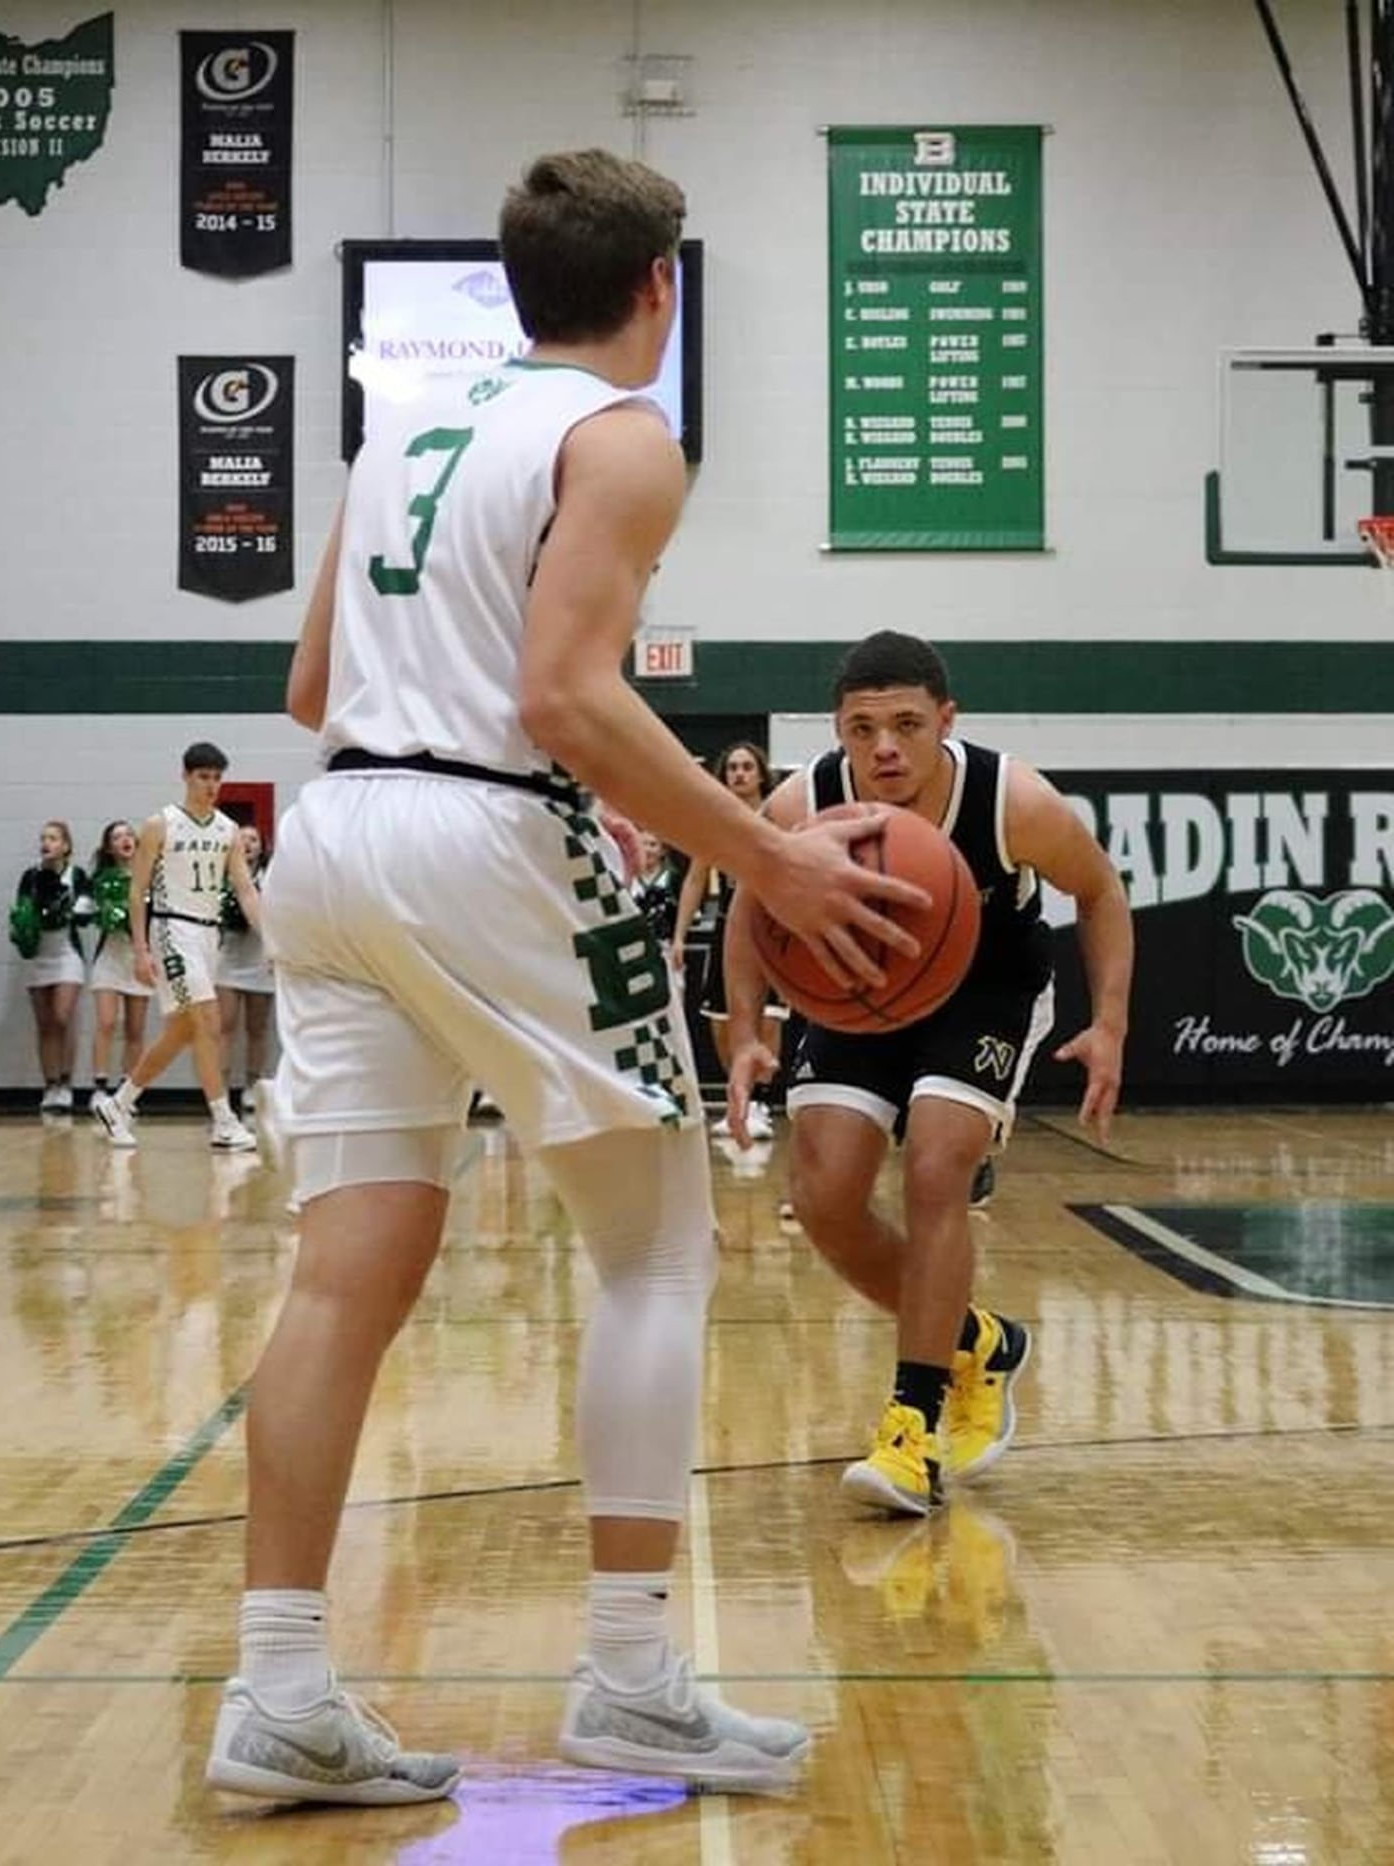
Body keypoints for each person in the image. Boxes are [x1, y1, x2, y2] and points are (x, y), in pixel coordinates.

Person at [203, 147, 928, 1809]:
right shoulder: (625, 439)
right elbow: (560, 698)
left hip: (333, 841)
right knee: (657, 1245)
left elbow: (315, 679)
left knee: (343, 1275)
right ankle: (629, 1676)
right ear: (659, 290)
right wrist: (766, 853)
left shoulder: (395, 435)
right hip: (478, 839)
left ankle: (281, 1691)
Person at [725, 631, 1134, 1516]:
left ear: (946, 721)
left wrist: (1109, 1023)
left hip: (983, 989)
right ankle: (977, 1340)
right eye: (860, 728)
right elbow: (751, 900)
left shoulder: (1011, 800)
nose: (883, 748)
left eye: (906, 725)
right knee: (826, 1201)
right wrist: (748, 1031)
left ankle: (913, 1427)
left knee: (937, 1169)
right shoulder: (807, 802)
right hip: (858, 990)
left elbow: (1099, 890)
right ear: (837, 732)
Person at [92, 745, 262, 1153]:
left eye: (217, 778)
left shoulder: (227, 830)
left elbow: (244, 888)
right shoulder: (160, 824)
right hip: (172, 929)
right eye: (204, 776)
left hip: (208, 936)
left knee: (185, 1029)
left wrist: (270, 939)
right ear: (185, 776)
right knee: (207, 1021)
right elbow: (138, 892)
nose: (211, 785)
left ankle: (120, 1103)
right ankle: (223, 1120)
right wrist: (139, 949)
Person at [671, 743, 787, 1141]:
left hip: (773, 923)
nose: (739, 773)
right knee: (722, 1023)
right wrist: (680, 936)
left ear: (760, 774)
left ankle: (760, 1103)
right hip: (727, 924)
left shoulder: (779, 815)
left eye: (746, 767)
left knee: (769, 1017)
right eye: (732, 767)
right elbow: (695, 880)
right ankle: (738, 1096)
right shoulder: (714, 821)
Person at [11, 821, 94, 1112]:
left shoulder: (77, 875)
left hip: (67, 955)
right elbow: (20, 912)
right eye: (43, 838)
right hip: (40, 956)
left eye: (54, 838)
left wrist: (72, 909)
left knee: (62, 1017)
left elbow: (86, 910)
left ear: (66, 846)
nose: (47, 843)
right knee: (45, 1024)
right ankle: (51, 1084)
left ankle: (67, 1081)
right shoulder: (30, 877)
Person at [86, 820, 152, 1109]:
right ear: (109, 847)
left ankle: (128, 1090)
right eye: (117, 837)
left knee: (135, 1029)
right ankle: (100, 1086)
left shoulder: (151, 877)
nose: (124, 840)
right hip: (110, 958)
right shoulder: (101, 880)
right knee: (106, 1022)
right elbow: (86, 910)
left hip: (139, 959)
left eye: (128, 835)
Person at [215, 824, 274, 1114]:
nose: (248, 844)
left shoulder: (272, 878)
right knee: (224, 1027)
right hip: (227, 959)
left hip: (259, 960)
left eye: (254, 839)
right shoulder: (221, 878)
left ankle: (252, 1086)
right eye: (243, 839)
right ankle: (221, 1092)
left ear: (261, 847)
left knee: (257, 1028)